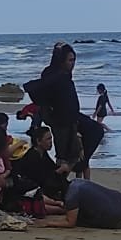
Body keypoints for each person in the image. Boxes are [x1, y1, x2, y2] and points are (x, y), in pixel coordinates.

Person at [23, 44, 84, 178]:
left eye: (74, 60)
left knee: (75, 152)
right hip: (60, 121)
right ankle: (58, 180)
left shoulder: (65, 75)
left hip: (71, 119)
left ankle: (67, 180)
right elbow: (42, 91)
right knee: (64, 154)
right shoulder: (53, 74)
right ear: (61, 59)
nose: (72, 64)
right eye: (70, 60)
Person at [35, 178, 121, 229]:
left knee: (79, 220)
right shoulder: (77, 181)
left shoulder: (70, 196)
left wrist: (49, 223)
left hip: (115, 219)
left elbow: (70, 223)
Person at [11, 126, 69, 204]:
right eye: (48, 139)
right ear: (38, 141)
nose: (51, 141)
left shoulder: (43, 152)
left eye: (51, 138)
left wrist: (62, 168)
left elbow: (52, 167)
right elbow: (40, 178)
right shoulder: (32, 156)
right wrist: (59, 170)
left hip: (41, 183)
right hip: (30, 187)